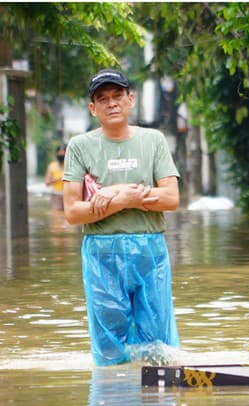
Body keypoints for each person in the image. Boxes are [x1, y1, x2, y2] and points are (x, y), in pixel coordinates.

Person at [63, 69, 181, 366]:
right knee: (109, 346)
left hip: (149, 252)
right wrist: (123, 198)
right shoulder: (79, 146)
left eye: (118, 96)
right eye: (103, 99)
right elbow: (73, 212)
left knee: (158, 343)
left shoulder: (153, 140)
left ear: (131, 100)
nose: (112, 103)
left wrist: (120, 194)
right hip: (102, 253)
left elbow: (171, 199)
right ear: (93, 108)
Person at [44, 144, 67, 211]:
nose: (61, 156)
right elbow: (46, 183)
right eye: (59, 153)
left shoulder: (70, 167)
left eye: (63, 154)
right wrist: (53, 180)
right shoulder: (52, 166)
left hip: (67, 195)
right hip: (56, 195)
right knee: (56, 215)